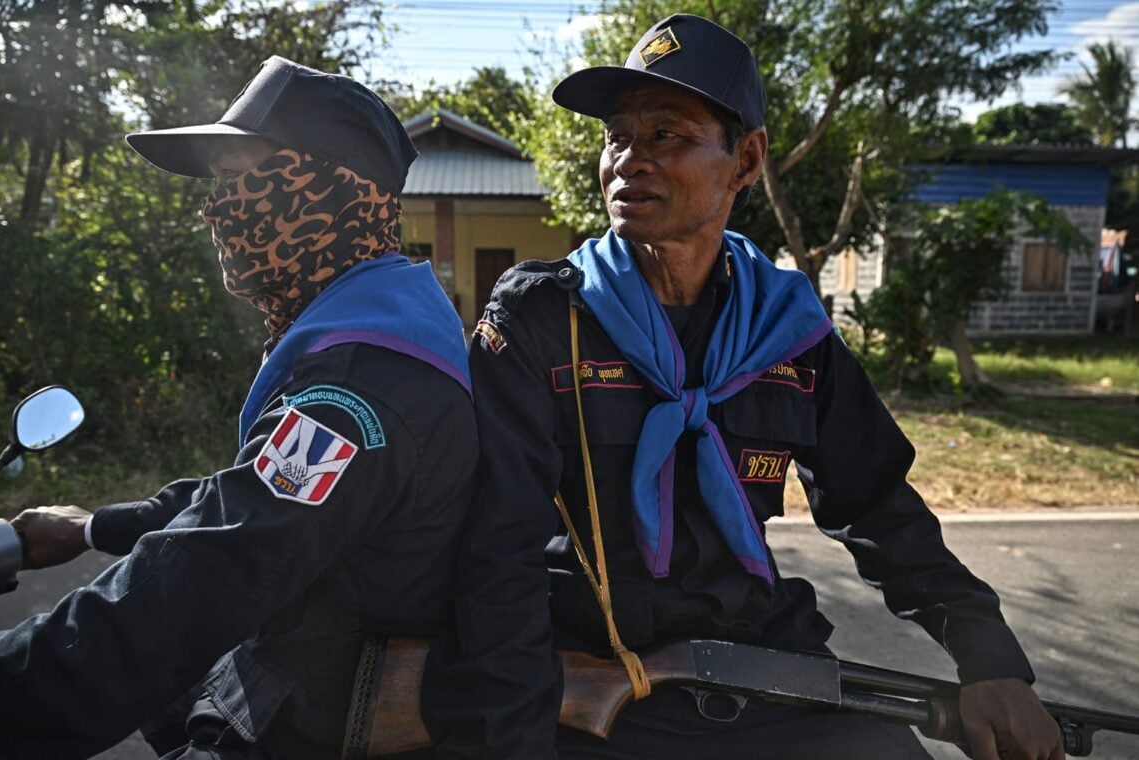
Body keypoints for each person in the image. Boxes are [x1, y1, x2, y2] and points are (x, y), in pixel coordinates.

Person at [420, 14, 1064, 760]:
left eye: (667, 135)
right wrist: (511, 736)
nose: (628, 161)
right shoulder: (541, 319)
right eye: (616, 137)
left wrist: (991, 661)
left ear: (747, 160)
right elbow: (496, 547)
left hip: (758, 666)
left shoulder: (790, 330)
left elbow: (881, 506)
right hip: (593, 678)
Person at [0, 56, 475, 760]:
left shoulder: (357, 383)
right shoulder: (379, 322)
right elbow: (251, 492)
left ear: (325, 190)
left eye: (239, 178)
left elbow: (207, 574)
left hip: (309, 726)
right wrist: (94, 526)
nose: (214, 207)